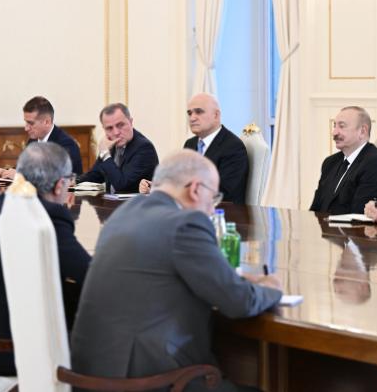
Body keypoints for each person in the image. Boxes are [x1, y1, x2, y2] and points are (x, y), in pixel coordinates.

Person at [71, 151, 282, 390]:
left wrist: (233, 278)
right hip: (147, 380)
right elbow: (239, 301)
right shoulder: (185, 223)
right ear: (195, 189)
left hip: (90, 375)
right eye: (213, 197)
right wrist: (271, 287)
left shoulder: (123, 213)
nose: (211, 209)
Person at [0, 142, 90, 377]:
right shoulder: (42, 213)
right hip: (2, 352)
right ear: (60, 185)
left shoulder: (0, 205)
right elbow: (89, 275)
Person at [309, 106, 377, 214]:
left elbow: (360, 216)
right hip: (323, 224)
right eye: (335, 126)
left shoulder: (375, 166)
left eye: (342, 126)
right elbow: (315, 209)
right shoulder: (330, 163)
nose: (334, 133)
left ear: (362, 131)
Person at [176, 93, 249, 204]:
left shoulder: (233, 147)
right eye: (189, 113)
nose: (192, 118)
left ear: (216, 115)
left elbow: (224, 192)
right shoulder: (190, 144)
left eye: (199, 112)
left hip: (222, 211)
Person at [0, 96, 83, 179]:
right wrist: (5, 172)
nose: (26, 128)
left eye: (31, 123)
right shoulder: (32, 141)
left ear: (46, 122)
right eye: (26, 122)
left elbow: (57, 177)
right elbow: (23, 168)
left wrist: (21, 175)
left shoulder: (66, 145)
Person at [78, 103, 158, 194]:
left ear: (131, 122)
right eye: (109, 128)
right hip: (111, 202)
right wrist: (74, 181)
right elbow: (96, 175)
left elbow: (122, 186)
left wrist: (105, 154)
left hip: (136, 203)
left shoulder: (144, 148)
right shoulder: (112, 144)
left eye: (120, 125)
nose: (116, 132)